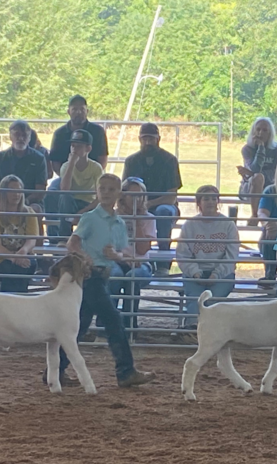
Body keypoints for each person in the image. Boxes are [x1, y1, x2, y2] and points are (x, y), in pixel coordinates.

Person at [46, 173, 156, 388]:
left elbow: (123, 253)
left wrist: (116, 256)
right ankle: (125, 371)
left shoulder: (118, 223)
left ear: (118, 194)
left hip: (100, 275)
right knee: (113, 320)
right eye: (102, 188)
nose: (106, 193)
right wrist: (86, 257)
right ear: (97, 191)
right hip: (91, 275)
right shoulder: (90, 218)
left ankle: (54, 372)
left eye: (110, 189)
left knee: (79, 326)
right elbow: (73, 242)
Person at [176, 185, 239, 337]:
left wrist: (216, 275)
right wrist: (196, 273)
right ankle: (193, 330)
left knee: (212, 301)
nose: (210, 202)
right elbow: (182, 255)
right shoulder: (189, 225)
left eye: (213, 198)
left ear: (218, 201)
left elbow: (231, 256)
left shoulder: (228, 225)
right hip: (195, 273)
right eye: (206, 198)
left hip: (222, 274)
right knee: (195, 299)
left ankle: (209, 335)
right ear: (199, 202)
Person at [122, 122, 182, 276]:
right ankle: (130, 257)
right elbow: (125, 190)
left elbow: (171, 195)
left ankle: (163, 263)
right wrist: (136, 205)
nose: (148, 142)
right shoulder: (131, 161)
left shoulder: (169, 160)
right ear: (139, 139)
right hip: (135, 204)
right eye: (145, 139)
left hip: (164, 205)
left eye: (151, 139)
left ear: (158, 139)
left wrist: (147, 204)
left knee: (163, 211)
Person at [108, 177, 157, 329]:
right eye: (132, 195)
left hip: (141, 263)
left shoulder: (149, 218)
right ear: (123, 196)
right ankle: (108, 326)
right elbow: (108, 245)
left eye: (140, 195)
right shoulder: (112, 217)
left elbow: (142, 250)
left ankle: (129, 327)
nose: (137, 199)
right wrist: (124, 257)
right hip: (116, 260)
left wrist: (137, 220)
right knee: (114, 276)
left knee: (133, 278)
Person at [0, 175, 39, 293]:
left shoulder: (29, 213)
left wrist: (23, 251)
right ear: (3, 193)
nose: (16, 194)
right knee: (18, 269)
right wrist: (13, 257)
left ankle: (7, 303)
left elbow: (31, 240)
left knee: (26, 265)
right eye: (12, 191)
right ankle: (17, 302)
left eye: (19, 190)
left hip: (24, 257)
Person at [45, 129, 102, 238]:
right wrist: (71, 163)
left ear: (88, 148)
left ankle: (85, 239)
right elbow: (64, 189)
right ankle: (64, 237)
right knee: (65, 197)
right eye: (73, 146)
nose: (74, 149)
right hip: (69, 204)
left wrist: (82, 212)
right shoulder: (66, 166)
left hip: (87, 203)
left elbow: (99, 197)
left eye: (79, 146)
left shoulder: (96, 168)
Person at [0, 120, 47, 212]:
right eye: (17, 134)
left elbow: (40, 191)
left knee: (35, 210)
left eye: (25, 135)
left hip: (31, 202)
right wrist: (6, 202)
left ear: (29, 138)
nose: (21, 138)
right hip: (4, 202)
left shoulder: (39, 158)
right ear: (10, 137)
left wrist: (22, 202)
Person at [237, 118, 277, 226]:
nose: (260, 133)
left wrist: (251, 173)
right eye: (258, 129)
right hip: (249, 187)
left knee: (259, 177)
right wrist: (261, 148)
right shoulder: (247, 149)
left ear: (270, 133)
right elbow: (255, 169)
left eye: (264, 130)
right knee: (258, 177)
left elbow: (275, 172)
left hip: (269, 186)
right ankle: (255, 215)